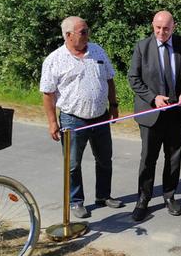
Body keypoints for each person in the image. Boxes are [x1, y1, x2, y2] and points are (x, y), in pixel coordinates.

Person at [40, 16, 123, 219]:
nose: (88, 35)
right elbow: (48, 93)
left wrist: (113, 105)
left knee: (104, 159)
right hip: (73, 119)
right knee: (73, 163)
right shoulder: (54, 59)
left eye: (87, 31)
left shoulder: (97, 51)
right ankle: (76, 201)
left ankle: (104, 195)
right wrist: (52, 122)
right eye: (83, 32)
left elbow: (109, 79)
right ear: (68, 35)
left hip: (100, 116)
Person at [127, 11, 181, 221]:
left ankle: (170, 195)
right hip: (152, 113)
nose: (161, 32)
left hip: (177, 112)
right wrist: (153, 98)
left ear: (173, 27)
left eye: (166, 28)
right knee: (148, 158)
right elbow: (133, 78)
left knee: (173, 157)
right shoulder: (142, 47)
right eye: (158, 28)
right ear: (152, 25)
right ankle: (143, 199)